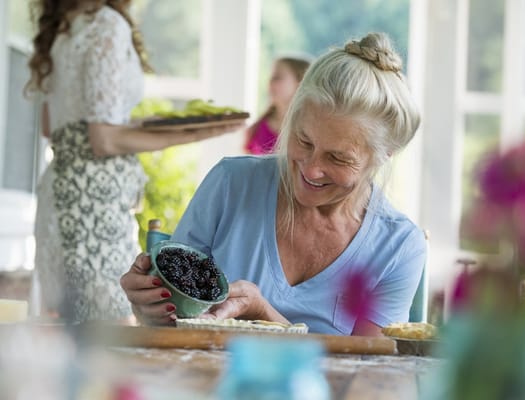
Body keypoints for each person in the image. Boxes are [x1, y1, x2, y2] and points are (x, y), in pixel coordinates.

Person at [121, 32, 426, 336]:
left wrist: (264, 315)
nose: (311, 168)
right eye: (303, 140)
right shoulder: (230, 184)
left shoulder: (398, 246)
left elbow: (365, 375)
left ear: (385, 155)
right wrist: (150, 306)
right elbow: (172, 325)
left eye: (337, 158)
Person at [26, 0, 243, 323]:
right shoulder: (106, 23)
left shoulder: (62, 28)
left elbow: (54, 127)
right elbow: (104, 139)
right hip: (93, 202)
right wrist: (194, 133)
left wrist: (155, 124)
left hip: (59, 191)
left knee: (71, 327)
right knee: (108, 329)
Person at [244, 56, 310, 155]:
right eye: (271, 77)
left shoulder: (310, 131)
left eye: (277, 77)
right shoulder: (255, 130)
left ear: (300, 83)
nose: (270, 82)